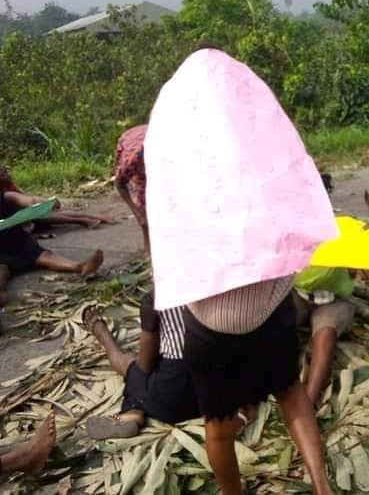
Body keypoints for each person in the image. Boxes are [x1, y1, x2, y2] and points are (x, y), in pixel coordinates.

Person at [143, 48, 335, 495]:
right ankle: (324, 489)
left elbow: (168, 229)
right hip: (270, 303)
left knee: (219, 425)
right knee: (290, 392)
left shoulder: (181, 152)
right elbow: (294, 192)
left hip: (213, 320)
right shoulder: (259, 147)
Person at [82, 295, 199, 439]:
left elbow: (144, 366)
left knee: (131, 365)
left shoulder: (156, 300)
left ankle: (129, 412)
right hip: (223, 396)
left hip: (175, 403)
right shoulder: (227, 283)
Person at [0, 188, 104, 288]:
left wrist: (47, 204)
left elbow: (30, 201)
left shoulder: (6, 195)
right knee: (3, 271)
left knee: (46, 256)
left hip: (17, 243)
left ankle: (80, 267)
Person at [293, 266, 355, 405]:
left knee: (326, 337)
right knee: (282, 325)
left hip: (335, 301)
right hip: (296, 294)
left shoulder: (348, 247)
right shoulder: (295, 247)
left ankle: (308, 403)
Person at [0, 167, 112, 230]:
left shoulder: (9, 186)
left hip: (22, 214)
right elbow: (29, 201)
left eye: (6, 172)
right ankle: (82, 220)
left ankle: (90, 217)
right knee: (42, 216)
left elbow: (26, 198)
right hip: (12, 220)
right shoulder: (6, 193)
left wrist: (45, 204)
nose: (8, 174)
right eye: (4, 174)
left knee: (43, 214)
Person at [114, 125, 150, 254]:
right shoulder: (133, 161)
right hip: (130, 142)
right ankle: (148, 250)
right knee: (144, 211)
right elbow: (120, 185)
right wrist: (138, 214)